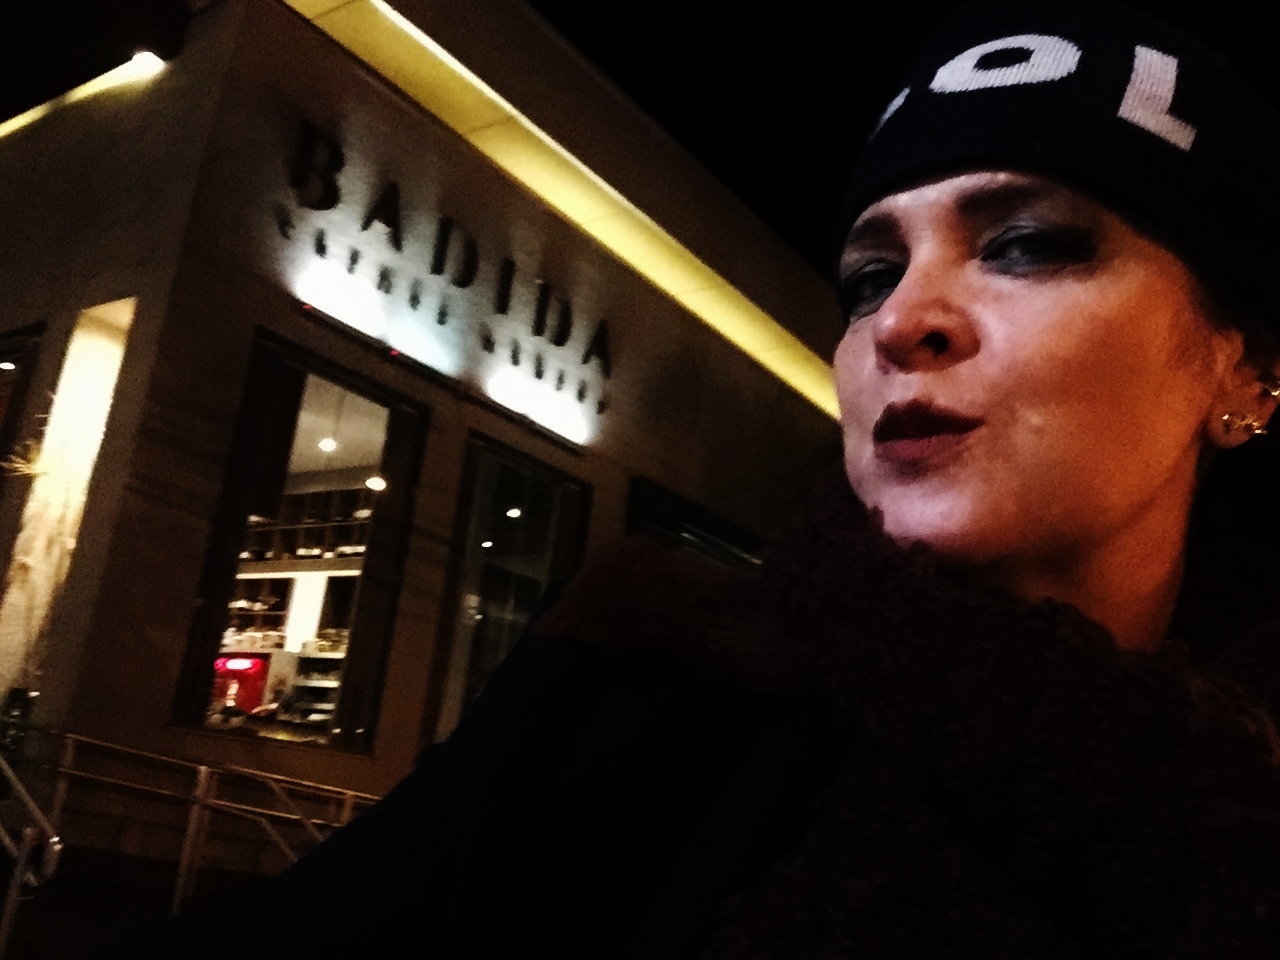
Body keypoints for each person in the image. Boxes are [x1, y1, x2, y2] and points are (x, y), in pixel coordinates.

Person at [106, 2, 1280, 957]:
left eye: (1023, 244)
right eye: (869, 276)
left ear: (1242, 369)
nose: (899, 321)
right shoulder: (644, 696)